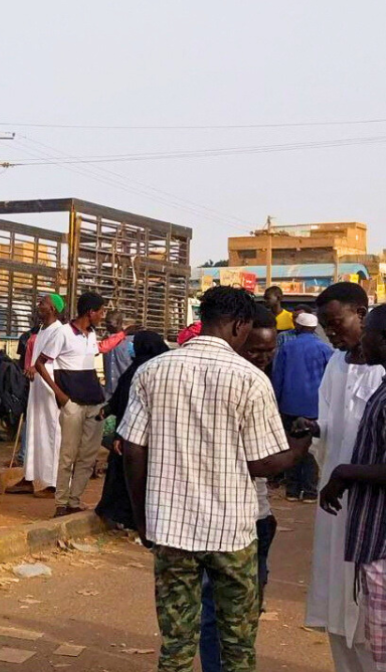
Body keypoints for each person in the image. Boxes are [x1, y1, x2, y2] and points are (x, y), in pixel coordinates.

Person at [120, 285, 311, 672]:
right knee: (238, 644)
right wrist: (300, 448)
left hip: (171, 529)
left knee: (175, 645)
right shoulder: (250, 379)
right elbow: (263, 463)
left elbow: (133, 448)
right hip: (232, 532)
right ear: (241, 325)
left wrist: (142, 517)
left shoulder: (153, 370)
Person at [306, 282, 385, 671]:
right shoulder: (337, 363)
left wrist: (350, 472)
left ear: (362, 313)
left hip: (374, 501)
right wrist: (312, 429)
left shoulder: (383, 368)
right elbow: (330, 421)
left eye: (337, 324)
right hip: (336, 498)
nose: (333, 334)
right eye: (326, 327)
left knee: (372, 603)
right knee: (339, 594)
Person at [198, 305, 281, 672]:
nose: (262, 358)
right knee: (217, 610)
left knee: (247, 609)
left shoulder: (263, 382)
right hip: (222, 517)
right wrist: (293, 453)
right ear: (237, 337)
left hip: (257, 514)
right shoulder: (224, 381)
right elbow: (260, 461)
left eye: (269, 350)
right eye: (255, 350)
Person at [35, 292, 114, 517]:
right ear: (91, 312)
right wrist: (60, 395)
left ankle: (74, 500)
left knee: (88, 456)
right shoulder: (63, 333)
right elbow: (40, 363)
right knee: (68, 454)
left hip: (93, 403)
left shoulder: (91, 335)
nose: (102, 316)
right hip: (73, 403)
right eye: (101, 311)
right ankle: (61, 502)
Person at [95, 330, 169, 530]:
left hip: (131, 434)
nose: (130, 346)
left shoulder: (144, 371)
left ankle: (127, 517)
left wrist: (120, 434)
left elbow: (130, 405)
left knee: (126, 476)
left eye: (134, 343)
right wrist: (108, 408)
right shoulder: (154, 368)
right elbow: (122, 397)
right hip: (152, 435)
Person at [272, 310, 333, 502]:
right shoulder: (325, 349)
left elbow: (277, 377)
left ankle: (291, 489)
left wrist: (276, 401)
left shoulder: (287, 348)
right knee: (311, 449)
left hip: (289, 405)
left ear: (298, 326)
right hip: (315, 408)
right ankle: (309, 490)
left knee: (290, 447)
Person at [12, 294, 66, 497]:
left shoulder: (59, 332)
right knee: (34, 431)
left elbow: (53, 362)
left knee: (52, 433)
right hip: (36, 388)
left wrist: (36, 369)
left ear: (53, 309)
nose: (38, 305)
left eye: (42, 302)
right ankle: (29, 477)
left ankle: (52, 484)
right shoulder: (42, 331)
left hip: (50, 389)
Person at [102, 311, 135, 400]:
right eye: (106, 322)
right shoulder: (106, 340)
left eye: (109, 322)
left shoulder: (131, 341)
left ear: (119, 323)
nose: (106, 325)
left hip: (125, 391)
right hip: (109, 391)